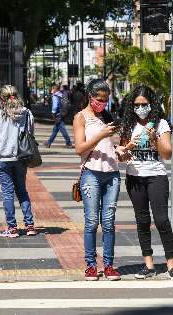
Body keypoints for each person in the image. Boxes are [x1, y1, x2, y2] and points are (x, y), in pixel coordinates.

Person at [118, 85, 173, 281]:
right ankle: (149, 265)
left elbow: (167, 154)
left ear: (151, 104)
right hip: (134, 178)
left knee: (162, 219)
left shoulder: (161, 124)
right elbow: (122, 157)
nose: (140, 108)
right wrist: (126, 147)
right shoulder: (128, 125)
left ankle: (171, 264)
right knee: (142, 220)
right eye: (136, 105)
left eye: (144, 104)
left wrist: (154, 138)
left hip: (156, 176)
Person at [73, 79, 125, 281]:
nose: (102, 103)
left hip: (112, 172)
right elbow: (80, 148)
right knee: (92, 221)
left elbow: (109, 146)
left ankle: (109, 265)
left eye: (105, 99)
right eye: (99, 99)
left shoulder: (108, 116)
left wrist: (120, 150)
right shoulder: (81, 117)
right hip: (91, 173)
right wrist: (101, 134)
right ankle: (91, 265)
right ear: (89, 96)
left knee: (109, 222)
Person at [0, 84, 36, 238]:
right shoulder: (27, 113)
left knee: (8, 193)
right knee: (22, 191)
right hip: (21, 157)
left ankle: (12, 228)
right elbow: (31, 133)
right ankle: (30, 225)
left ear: (1, 99)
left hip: (2, 158)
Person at [45, 84, 73, 148]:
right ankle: (49, 142)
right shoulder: (61, 94)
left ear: (55, 89)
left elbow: (55, 107)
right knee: (55, 129)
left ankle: (69, 143)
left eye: (52, 89)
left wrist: (53, 114)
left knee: (62, 129)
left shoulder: (55, 96)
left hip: (58, 115)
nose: (51, 90)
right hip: (62, 113)